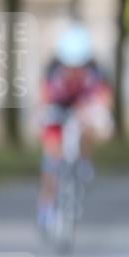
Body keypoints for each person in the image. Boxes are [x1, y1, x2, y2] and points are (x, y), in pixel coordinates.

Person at [37, 22, 113, 230]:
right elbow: (42, 100)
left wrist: (103, 121)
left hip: (83, 106)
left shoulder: (96, 70)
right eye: (69, 65)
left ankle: (84, 162)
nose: (74, 70)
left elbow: (104, 99)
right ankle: (46, 204)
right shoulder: (53, 69)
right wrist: (41, 119)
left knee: (87, 126)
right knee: (51, 158)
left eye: (78, 65)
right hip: (58, 107)